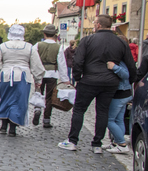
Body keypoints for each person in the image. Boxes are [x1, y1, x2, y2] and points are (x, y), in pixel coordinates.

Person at [58, 14, 136, 153]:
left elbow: (78, 61)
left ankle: (72, 141)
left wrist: (78, 78)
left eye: (94, 23)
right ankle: (97, 144)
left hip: (89, 80)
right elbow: (130, 65)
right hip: (110, 82)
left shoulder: (88, 40)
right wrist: (129, 82)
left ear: (98, 25)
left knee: (79, 110)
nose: (94, 25)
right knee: (102, 112)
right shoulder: (121, 42)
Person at [0, 24, 45, 136]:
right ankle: (12, 128)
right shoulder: (29, 47)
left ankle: (4, 125)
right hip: (23, 77)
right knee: (18, 101)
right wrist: (38, 79)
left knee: (4, 99)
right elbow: (36, 65)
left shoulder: (3, 46)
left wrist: (2, 68)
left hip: (6, 76)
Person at [31, 24, 69, 128]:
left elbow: (33, 60)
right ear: (55, 35)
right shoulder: (59, 47)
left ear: (44, 34)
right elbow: (62, 64)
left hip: (40, 73)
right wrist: (65, 79)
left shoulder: (37, 45)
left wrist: (33, 72)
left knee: (39, 93)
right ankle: (46, 119)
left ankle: (37, 109)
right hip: (53, 74)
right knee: (49, 97)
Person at [104, 35, 134, 154]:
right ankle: (117, 142)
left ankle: (121, 143)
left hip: (120, 93)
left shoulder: (120, 59)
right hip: (125, 92)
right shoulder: (126, 56)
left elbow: (125, 74)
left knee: (109, 119)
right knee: (118, 119)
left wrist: (113, 67)